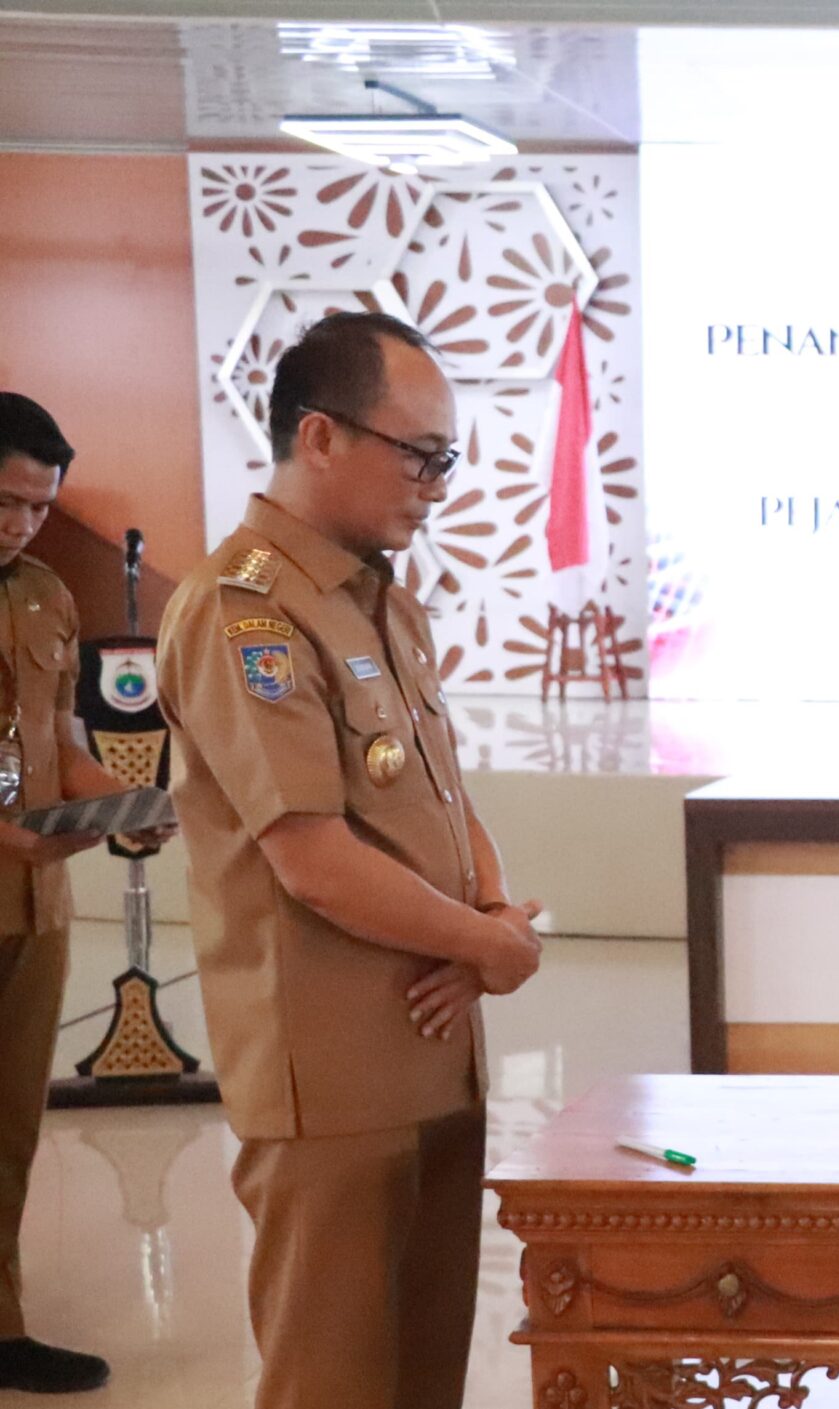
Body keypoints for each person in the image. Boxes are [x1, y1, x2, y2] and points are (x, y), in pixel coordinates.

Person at [158, 312, 544, 1409]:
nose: (436, 487)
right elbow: (312, 855)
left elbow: (441, 793)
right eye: (419, 455)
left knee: (422, 1373)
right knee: (332, 1379)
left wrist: (489, 912)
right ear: (319, 436)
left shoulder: (380, 599)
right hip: (332, 1078)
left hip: (432, 1045)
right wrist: (489, 944)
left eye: (447, 460)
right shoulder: (245, 611)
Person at [0, 393, 151, 1393]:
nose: (20, 523)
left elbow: (57, 746)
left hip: (33, 903)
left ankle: (2, 1323)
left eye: (38, 506)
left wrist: (128, 803)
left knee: (11, 1124)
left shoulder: (44, 596)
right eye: (5, 501)